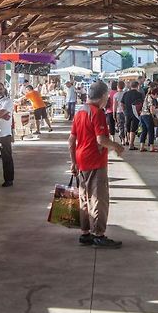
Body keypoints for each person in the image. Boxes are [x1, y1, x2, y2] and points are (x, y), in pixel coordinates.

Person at [68, 81, 124, 248]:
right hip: (95, 161)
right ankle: (98, 234)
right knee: (99, 198)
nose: (108, 99)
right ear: (102, 96)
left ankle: (85, 233)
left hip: (81, 160)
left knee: (84, 197)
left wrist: (73, 162)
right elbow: (101, 139)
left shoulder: (80, 112)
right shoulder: (97, 113)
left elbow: (71, 141)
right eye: (107, 96)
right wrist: (116, 146)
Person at [120, 81, 144, 151]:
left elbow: (122, 103)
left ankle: (128, 140)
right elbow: (141, 104)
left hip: (127, 113)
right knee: (133, 129)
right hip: (135, 113)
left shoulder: (126, 94)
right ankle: (131, 144)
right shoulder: (139, 94)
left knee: (128, 127)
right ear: (137, 86)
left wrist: (124, 110)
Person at [139, 87, 158, 153]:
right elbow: (152, 111)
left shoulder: (146, 96)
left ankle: (141, 146)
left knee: (144, 131)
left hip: (142, 115)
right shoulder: (152, 99)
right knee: (151, 131)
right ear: (156, 94)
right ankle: (151, 147)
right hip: (148, 116)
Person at [113, 80, 127, 146]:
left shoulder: (115, 95)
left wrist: (114, 113)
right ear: (124, 86)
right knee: (126, 125)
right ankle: (127, 138)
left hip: (119, 112)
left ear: (117, 86)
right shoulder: (126, 94)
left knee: (120, 126)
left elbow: (114, 105)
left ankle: (123, 140)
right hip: (126, 112)